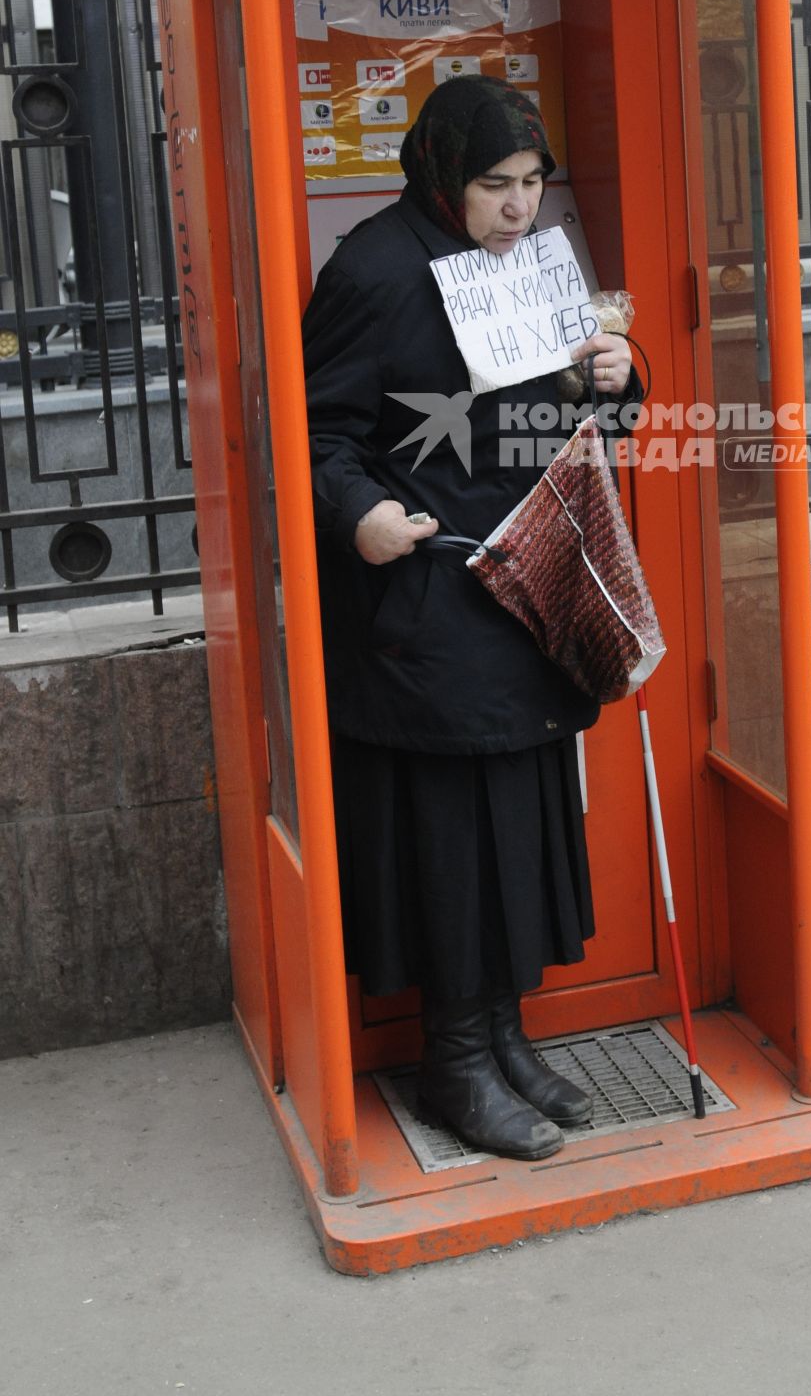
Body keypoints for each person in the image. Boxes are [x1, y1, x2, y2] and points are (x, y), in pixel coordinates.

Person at [302, 77, 635, 1161]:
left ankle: (504, 1037)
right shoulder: (375, 269)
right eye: (496, 184)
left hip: (530, 581)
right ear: (445, 174)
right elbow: (316, 435)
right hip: (430, 597)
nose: (518, 206)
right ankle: (453, 1061)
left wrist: (615, 381)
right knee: (451, 841)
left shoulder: (534, 265)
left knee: (517, 830)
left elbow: (569, 413)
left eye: (534, 183)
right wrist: (360, 517)